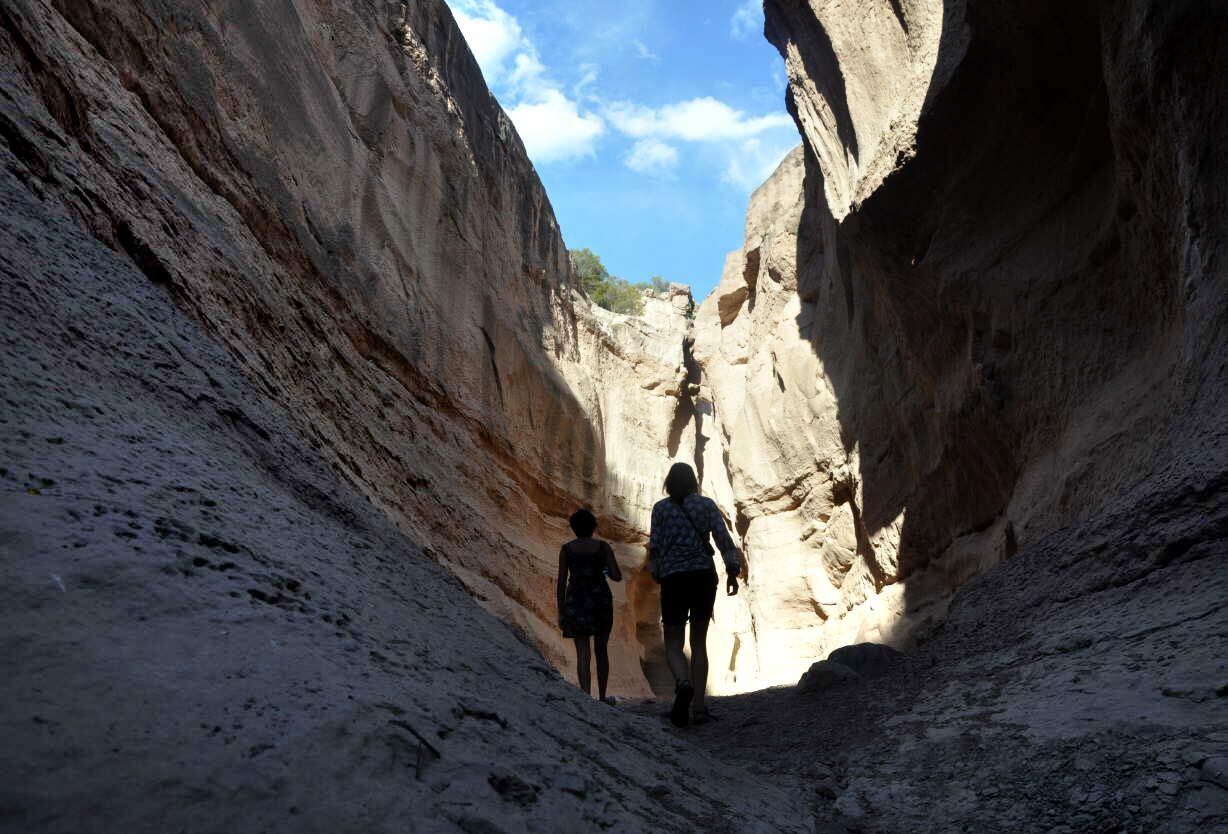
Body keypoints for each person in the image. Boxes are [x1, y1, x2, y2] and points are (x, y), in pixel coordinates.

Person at [648, 462, 742, 727]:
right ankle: (699, 709)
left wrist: (657, 571)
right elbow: (723, 539)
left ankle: (683, 682)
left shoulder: (661, 509)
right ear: (692, 482)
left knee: (674, 643)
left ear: (669, 482)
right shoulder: (706, 505)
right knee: (699, 642)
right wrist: (732, 570)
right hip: (703, 576)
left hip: (674, 579)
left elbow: (655, 545)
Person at [556, 508, 622, 702]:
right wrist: (603, 568)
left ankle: (585, 696)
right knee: (601, 649)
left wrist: (561, 611)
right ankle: (602, 696)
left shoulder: (566, 549)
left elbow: (561, 582)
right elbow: (617, 576)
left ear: (574, 528)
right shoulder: (603, 548)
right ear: (593, 527)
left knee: (582, 651)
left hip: (576, 600)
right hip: (600, 599)